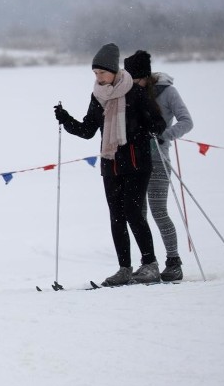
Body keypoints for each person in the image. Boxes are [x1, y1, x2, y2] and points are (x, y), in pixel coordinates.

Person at [53, 43, 167, 286]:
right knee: (116, 217)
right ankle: (124, 269)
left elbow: (158, 124)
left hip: (137, 163)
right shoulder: (97, 96)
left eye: (102, 73)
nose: (99, 77)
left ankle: (150, 264)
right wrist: (66, 119)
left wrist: (142, 129)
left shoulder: (135, 93)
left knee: (134, 213)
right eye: (95, 74)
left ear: (114, 71)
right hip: (111, 164)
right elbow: (87, 131)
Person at [123, 50, 194, 282]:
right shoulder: (130, 93)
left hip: (158, 160)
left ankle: (173, 262)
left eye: (135, 80)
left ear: (145, 76)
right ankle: (148, 263)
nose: (132, 84)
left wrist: (165, 135)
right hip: (135, 161)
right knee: (138, 214)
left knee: (158, 211)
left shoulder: (167, 92)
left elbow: (186, 121)